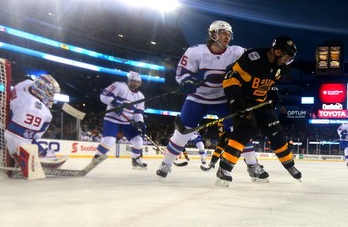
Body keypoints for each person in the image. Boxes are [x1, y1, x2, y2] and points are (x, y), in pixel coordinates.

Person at [156, 20, 269, 182]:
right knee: (182, 131)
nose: (228, 37)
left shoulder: (236, 52)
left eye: (229, 34)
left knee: (242, 130)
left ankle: (253, 165)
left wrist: (273, 59)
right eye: (224, 33)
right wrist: (186, 81)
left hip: (224, 99)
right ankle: (166, 164)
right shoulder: (195, 52)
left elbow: (257, 58)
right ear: (213, 34)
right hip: (198, 98)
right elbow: (182, 72)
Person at [216, 35, 302, 187]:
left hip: (261, 103)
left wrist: (273, 93)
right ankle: (224, 168)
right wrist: (237, 103)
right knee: (245, 129)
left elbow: (269, 84)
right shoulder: (253, 57)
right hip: (242, 100)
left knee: (276, 131)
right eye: (287, 58)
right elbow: (230, 78)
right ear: (277, 52)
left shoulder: (279, 69)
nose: (287, 62)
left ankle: (289, 164)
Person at [4, 74, 61, 177]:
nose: (51, 96)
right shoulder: (34, 109)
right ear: (41, 90)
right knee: (46, 118)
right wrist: (20, 157)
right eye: (50, 93)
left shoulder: (26, 84)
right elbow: (15, 137)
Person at [95, 71, 147, 169]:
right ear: (129, 81)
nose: (135, 84)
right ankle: (96, 158)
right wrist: (114, 102)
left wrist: (140, 122)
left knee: (138, 139)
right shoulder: (119, 86)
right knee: (109, 140)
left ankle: (135, 160)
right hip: (112, 119)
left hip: (127, 122)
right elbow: (104, 95)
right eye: (133, 81)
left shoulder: (140, 96)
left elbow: (138, 113)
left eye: (137, 82)